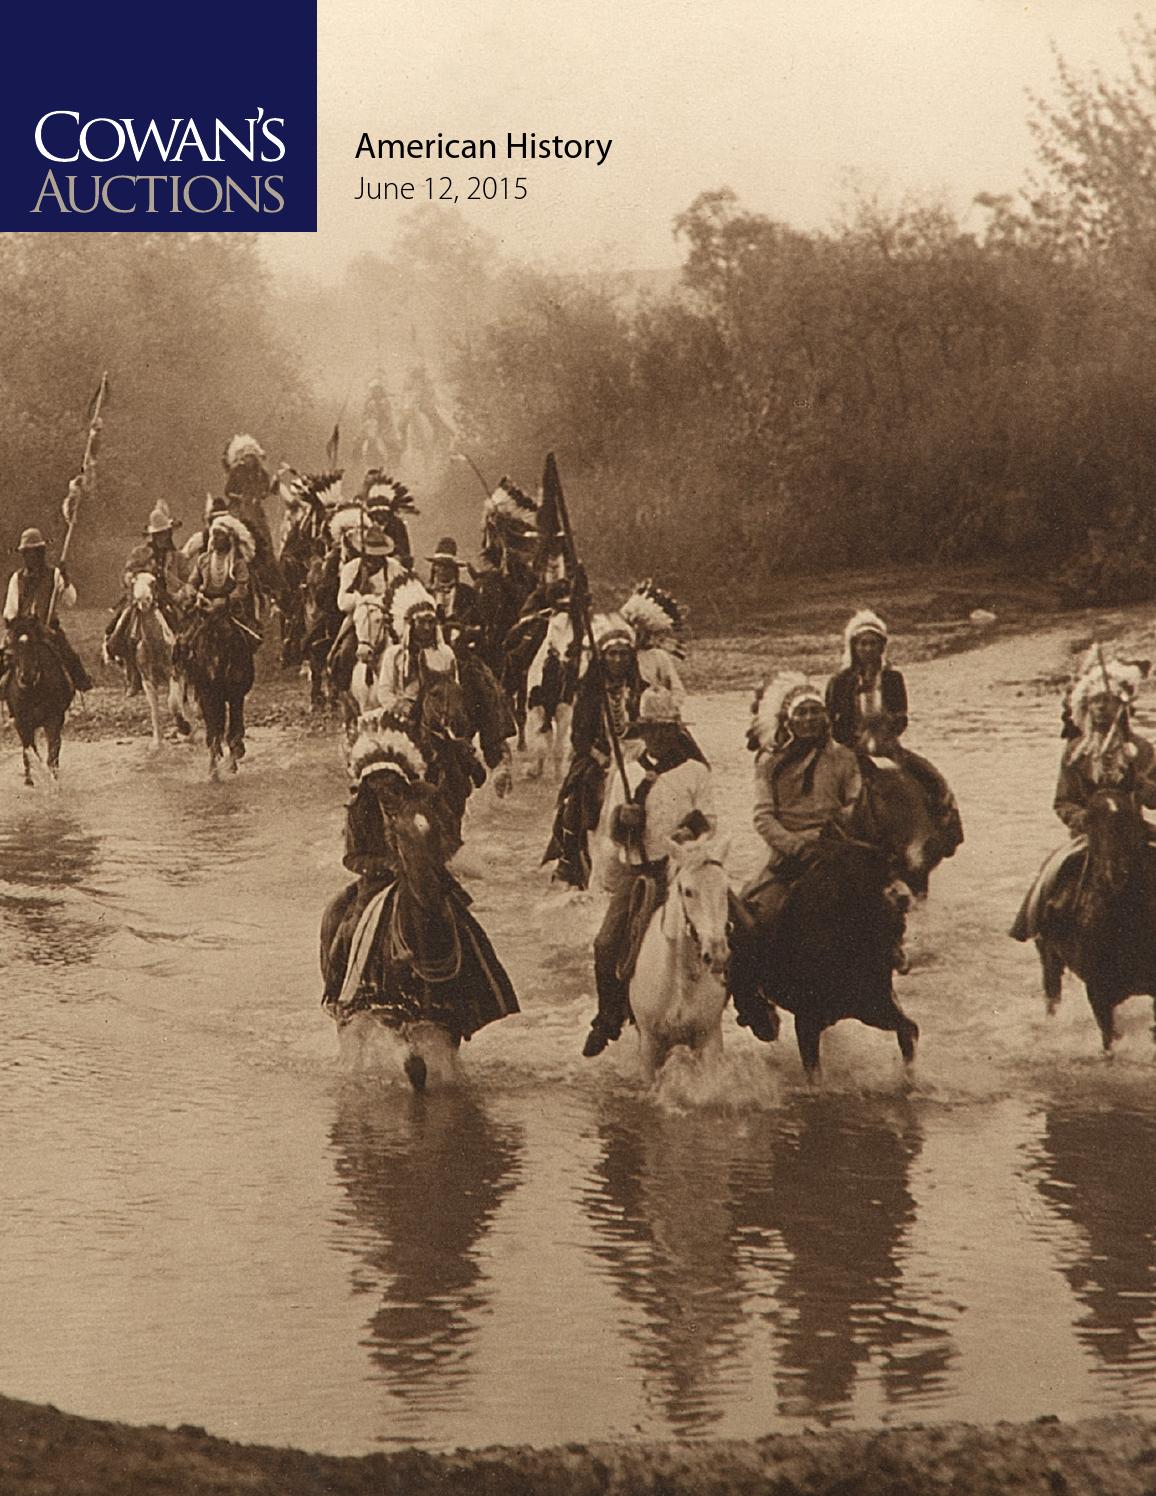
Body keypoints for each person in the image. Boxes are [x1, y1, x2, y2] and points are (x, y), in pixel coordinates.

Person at [582, 686, 714, 1057]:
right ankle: (607, 1017)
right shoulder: (628, 772)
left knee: (735, 924)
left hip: (684, 870)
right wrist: (624, 820)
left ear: (678, 732)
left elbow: (710, 819)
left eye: (667, 729)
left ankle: (750, 1003)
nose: (661, 736)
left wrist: (689, 831)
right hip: (640, 872)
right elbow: (613, 834)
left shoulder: (695, 772)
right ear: (643, 733)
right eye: (653, 729)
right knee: (606, 942)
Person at [1011, 657, 1156, 942]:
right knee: (1051, 876)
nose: (1102, 707)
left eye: (1109, 700)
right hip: (1089, 836)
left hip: (1133, 832)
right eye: (1095, 701)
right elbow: (1063, 802)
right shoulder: (1076, 751)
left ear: (1122, 706)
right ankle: (1038, 930)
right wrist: (1084, 819)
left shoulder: (1141, 749)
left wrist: (1142, 784)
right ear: (1086, 707)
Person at [543, 613, 645, 889]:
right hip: (598, 756)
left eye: (624, 654)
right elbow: (579, 736)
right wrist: (602, 757)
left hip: (637, 754)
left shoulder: (641, 690)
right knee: (578, 795)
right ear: (603, 657)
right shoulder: (590, 691)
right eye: (612, 654)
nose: (618, 660)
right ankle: (569, 859)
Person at [104, 502, 188, 693]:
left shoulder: (177, 557)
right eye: (158, 535)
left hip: (168, 598)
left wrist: (178, 591)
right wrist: (134, 579)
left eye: (165, 533)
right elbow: (126, 574)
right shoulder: (140, 554)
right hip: (142, 599)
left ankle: (184, 666)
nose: (162, 538)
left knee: (186, 628)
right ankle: (133, 672)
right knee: (121, 630)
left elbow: (186, 581)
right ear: (152, 536)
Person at [2, 527, 92, 693]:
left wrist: (66, 580)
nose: (30, 557)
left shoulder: (54, 574)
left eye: (33, 552)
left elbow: (70, 601)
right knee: (4, 657)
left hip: (47, 628)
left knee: (68, 654)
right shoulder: (17, 578)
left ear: (40, 553)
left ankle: (81, 681)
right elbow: (10, 609)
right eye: (26, 553)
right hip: (22, 627)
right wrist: (13, 624)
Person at [328, 522, 406, 693]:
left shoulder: (394, 568)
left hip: (389, 618)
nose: (373, 559)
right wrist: (363, 601)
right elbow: (342, 601)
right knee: (346, 651)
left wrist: (387, 603)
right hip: (360, 619)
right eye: (370, 555)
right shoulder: (351, 569)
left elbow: (404, 592)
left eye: (378, 556)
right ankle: (342, 692)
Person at [825, 609, 908, 748]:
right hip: (849, 748)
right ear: (854, 646)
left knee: (923, 769)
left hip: (886, 745)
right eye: (863, 643)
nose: (868, 648)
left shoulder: (893, 679)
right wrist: (854, 742)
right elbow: (830, 721)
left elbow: (901, 717)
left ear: (881, 647)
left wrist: (885, 734)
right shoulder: (840, 681)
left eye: (873, 643)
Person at [182, 513, 260, 649]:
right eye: (214, 534)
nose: (215, 538)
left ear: (229, 538)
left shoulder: (237, 562)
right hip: (204, 607)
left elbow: (242, 589)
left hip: (228, 610)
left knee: (238, 645)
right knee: (185, 642)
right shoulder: (203, 560)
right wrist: (195, 594)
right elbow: (192, 582)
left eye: (220, 535)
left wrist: (224, 601)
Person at [379, 575, 458, 708]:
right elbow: (384, 692)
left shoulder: (445, 653)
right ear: (411, 625)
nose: (427, 628)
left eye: (431, 622)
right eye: (421, 622)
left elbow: (454, 687)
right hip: (403, 716)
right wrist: (401, 707)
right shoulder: (394, 655)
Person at [620, 579, 688, 706]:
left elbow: (677, 690)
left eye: (641, 632)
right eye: (632, 629)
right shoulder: (620, 655)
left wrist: (664, 704)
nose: (636, 635)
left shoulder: (658, 657)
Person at [427, 537, 481, 651]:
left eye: (447, 566)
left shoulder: (468, 593)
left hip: (462, 647)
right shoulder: (426, 594)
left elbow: (477, 622)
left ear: (454, 569)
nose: (442, 570)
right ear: (434, 568)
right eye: (439, 565)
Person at [361, 470, 418, 571]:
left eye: (382, 513)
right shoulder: (363, 520)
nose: (379, 517)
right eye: (375, 514)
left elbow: (404, 551)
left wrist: (396, 558)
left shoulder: (397, 524)